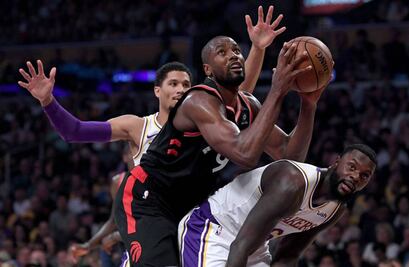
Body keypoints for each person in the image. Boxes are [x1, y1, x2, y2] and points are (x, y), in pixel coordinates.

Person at [18, 6, 288, 266]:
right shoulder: (136, 126)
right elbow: (74, 131)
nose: (180, 89)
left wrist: (258, 48)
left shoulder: (206, 113)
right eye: (173, 84)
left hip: (188, 208)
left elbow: (241, 94)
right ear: (157, 91)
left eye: (185, 83)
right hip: (151, 208)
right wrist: (48, 101)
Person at [112, 27, 324, 265]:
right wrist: (277, 90)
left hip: (189, 203)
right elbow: (245, 155)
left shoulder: (248, 106)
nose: (233, 55)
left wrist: (308, 104)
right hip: (149, 198)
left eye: (236, 50)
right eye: (222, 52)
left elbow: (290, 155)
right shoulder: (198, 101)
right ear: (207, 70)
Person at [178, 144, 377, 267]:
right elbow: (240, 245)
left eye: (364, 176)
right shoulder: (293, 182)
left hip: (254, 245)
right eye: (352, 167)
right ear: (336, 163)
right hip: (214, 229)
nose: (355, 176)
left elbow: (289, 255)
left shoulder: (335, 208)